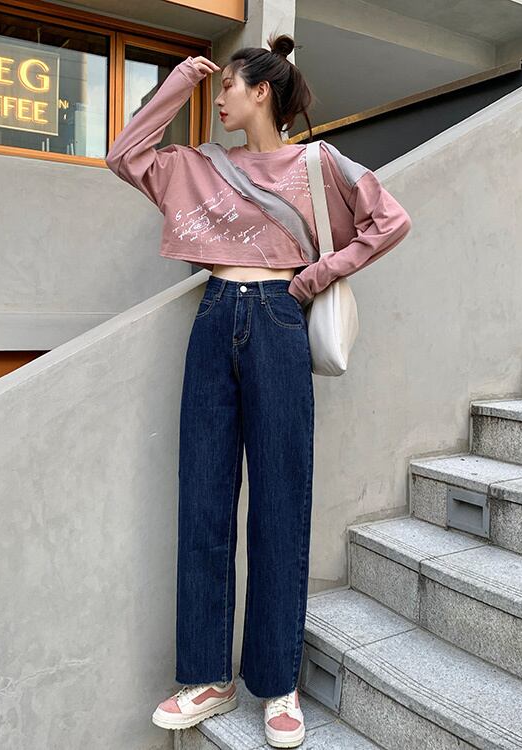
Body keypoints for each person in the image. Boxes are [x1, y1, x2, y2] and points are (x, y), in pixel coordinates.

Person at [105, 32, 411, 749]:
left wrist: (314, 277)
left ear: (262, 91)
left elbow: (390, 220)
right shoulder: (201, 166)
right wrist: (178, 81)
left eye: (228, 87)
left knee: (279, 501)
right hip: (214, 316)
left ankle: (277, 685)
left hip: (277, 318)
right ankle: (207, 678)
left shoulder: (318, 163)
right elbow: (124, 155)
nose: (220, 99)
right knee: (203, 497)